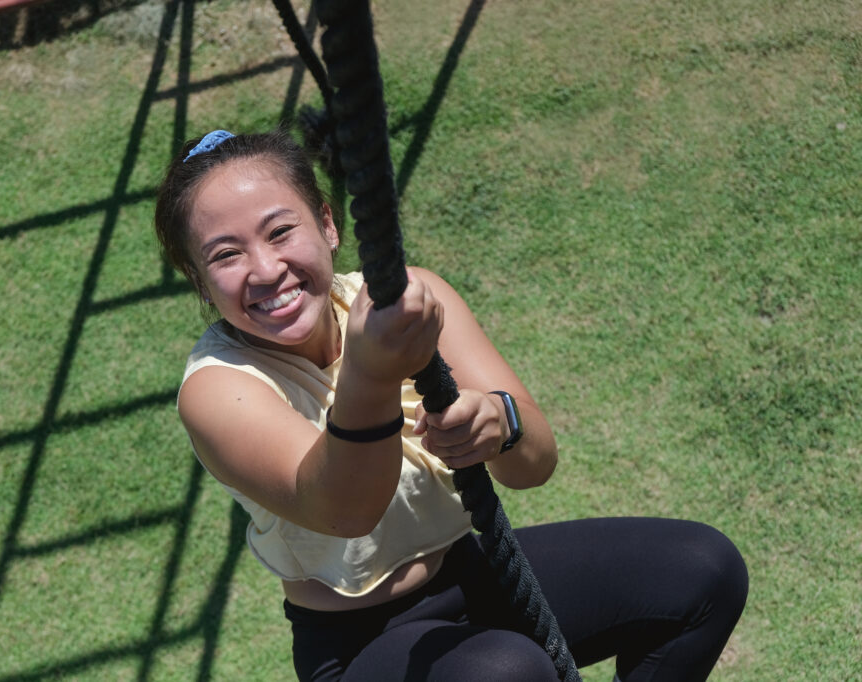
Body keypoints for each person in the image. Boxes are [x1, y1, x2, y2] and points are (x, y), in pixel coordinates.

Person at [155, 129, 749, 681]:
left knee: (703, 571)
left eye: (280, 231)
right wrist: (370, 370)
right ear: (200, 281)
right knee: (505, 671)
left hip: (475, 573)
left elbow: (535, 465)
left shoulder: (408, 298)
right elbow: (346, 511)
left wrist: (500, 421)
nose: (265, 269)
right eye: (226, 255)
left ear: (327, 225)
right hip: (358, 642)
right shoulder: (218, 388)